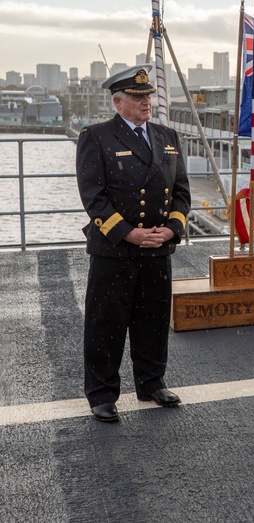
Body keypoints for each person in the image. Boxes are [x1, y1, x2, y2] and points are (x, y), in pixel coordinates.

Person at [76, 64, 191, 423]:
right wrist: (129, 232)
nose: (146, 103)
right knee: (106, 322)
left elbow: (182, 192)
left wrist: (172, 229)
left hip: (157, 245)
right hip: (115, 248)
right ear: (118, 102)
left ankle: (151, 382)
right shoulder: (96, 137)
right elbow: (93, 196)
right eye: (138, 98)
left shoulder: (168, 135)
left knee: (153, 319)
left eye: (147, 97)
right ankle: (102, 392)